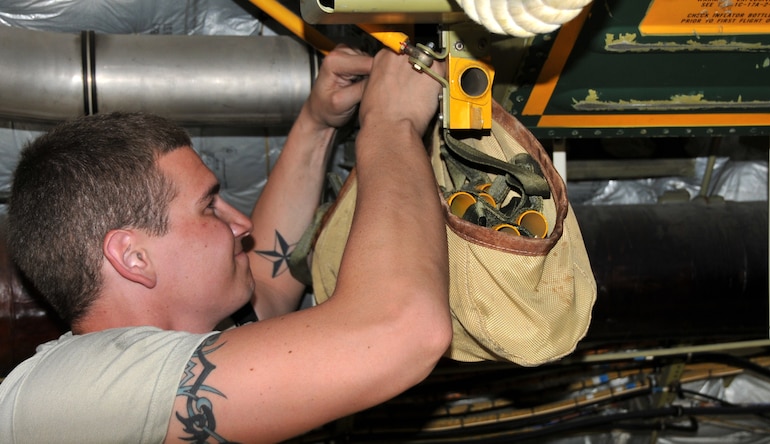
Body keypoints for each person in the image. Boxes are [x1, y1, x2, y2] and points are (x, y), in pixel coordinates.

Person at [0, 46, 452, 443]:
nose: (241, 223)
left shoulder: (165, 359)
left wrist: (317, 123)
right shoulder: (63, 396)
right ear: (133, 257)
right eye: (210, 207)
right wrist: (391, 122)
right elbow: (401, 332)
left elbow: (266, 286)